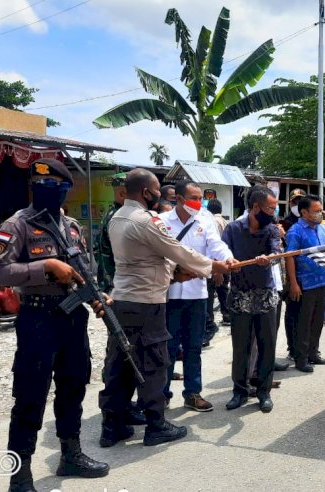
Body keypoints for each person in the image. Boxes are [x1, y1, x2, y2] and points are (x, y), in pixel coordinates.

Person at [0, 158, 111, 491]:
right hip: (38, 318)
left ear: (65, 191)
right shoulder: (16, 225)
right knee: (30, 394)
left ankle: (70, 455)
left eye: (56, 189)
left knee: (73, 387)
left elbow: (85, 272)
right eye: (42, 188)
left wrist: (96, 297)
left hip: (73, 318)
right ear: (33, 188)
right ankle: (20, 474)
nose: (49, 194)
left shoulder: (72, 226)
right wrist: (46, 265)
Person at [98, 168, 236, 449]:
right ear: (146, 192)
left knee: (122, 364)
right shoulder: (148, 220)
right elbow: (176, 251)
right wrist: (212, 267)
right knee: (155, 363)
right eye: (157, 189)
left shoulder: (116, 218)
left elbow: (144, 258)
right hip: (147, 303)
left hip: (122, 300)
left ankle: (112, 425)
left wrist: (175, 274)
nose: (160, 194)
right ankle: (156, 425)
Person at [159, 180, 234, 412]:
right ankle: (161, 395)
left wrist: (228, 257)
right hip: (168, 294)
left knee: (193, 346)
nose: (198, 202)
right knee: (168, 347)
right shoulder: (161, 221)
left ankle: (192, 393)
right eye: (193, 197)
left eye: (200, 197)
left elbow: (216, 246)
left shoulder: (205, 219)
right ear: (178, 199)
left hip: (197, 294)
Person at [222, 186, 282, 412]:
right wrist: (228, 262)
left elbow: (277, 253)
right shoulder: (233, 228)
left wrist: (269, 258)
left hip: (265, 296)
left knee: (267, 345)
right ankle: (239, 391)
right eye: (270, 208)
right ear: (255, 207)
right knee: (241, 347)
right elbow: (221, 252)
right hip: (239, 296)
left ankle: (263, 392)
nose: (273, 213)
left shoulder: (272, 230)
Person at [95, 172, 146, 427]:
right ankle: (117, 409)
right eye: (119, 189)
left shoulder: (120, 215)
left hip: (120, 291)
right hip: (118, 293)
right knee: (119, 351)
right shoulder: (117, 217)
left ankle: (122, 406)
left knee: (126, 349)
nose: (122, 193)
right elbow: (111, 260)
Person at [285, 195, 325, 373]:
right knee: (303, 323)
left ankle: (313, 353)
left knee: (317, 321)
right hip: (305, 284)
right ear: (304, 212)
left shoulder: (320, 229)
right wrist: (294, 284)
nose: (320, 214)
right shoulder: (296, 231)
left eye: (321, 210)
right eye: (316, 211)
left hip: (321, 281)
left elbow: (324, 254)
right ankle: (301, 358)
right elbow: (289, 257)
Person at [280, 188, 306, 359]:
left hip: (308, 274)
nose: (297, 205)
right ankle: (292, 347)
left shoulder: (312, 222)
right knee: (292, 312)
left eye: (300, 201)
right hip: (292, 274)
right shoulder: (284, 223)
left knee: (306, 313)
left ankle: (305, 348)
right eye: (294, 202)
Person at [95, 172, 127, 294]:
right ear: (122, 194)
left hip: (110, 282)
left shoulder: (113, 213)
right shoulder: (120, 217)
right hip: (117, 287)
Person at [206, 198, 231, 329]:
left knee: (211, 293)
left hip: (216, 263)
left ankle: (210, 323)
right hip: (225, 259)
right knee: (223, 290)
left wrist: (217, 269)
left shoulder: (212, 221)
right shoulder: (226, 221)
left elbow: (214, 246)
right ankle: (226, 314)